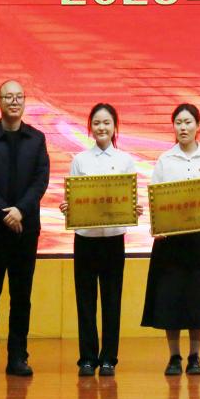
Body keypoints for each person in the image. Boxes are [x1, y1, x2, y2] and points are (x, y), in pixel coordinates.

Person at [0, 79, 50, 378]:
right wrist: (5, 212)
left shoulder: (37, 139)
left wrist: (20, 210)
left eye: (19, 97)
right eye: (8, 97)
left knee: (21, 296)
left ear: (25, 101)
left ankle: (17, 357)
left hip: (25, 230)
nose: (14, 102)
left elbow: (41, 180)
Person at [141, 103, 200, 376]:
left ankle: (195, 356)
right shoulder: (165, 160)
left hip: (199, 237)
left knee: (199, 297)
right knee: (171, 298)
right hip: (170, 240)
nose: (183, 127)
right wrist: (157, 226)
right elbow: (156, 198)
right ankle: (174, 356)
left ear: (198, 126)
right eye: (178, 122)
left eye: (188, 122)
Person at [59, 103, 142, 377]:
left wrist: (134, 208)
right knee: (85, 300)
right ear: (90, 128)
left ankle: (109, 359)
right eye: (96, 123)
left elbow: (130, 197)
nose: (101, 127)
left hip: (114, 238)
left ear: (115, 126)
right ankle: (87, 358)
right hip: (85, 238)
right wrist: (68, 207)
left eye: (106, 122)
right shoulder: (79, 160)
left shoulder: (125, 160)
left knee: (111, 299)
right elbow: (72, 198)